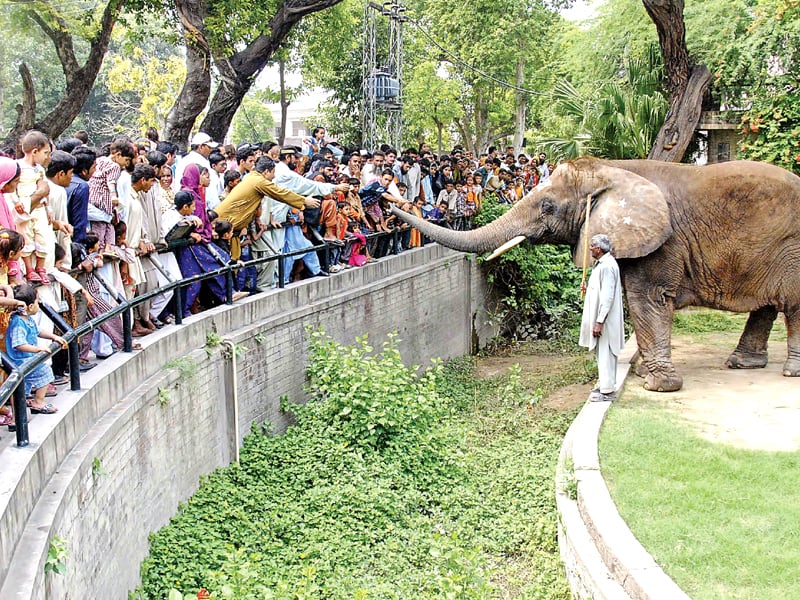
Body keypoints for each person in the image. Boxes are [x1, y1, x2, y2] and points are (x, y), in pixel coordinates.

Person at [6, 284, 68, 414]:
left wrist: (53, 336)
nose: (39, 306)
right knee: (45, 371)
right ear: (30, 307)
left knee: (23, 387)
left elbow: (38, 331)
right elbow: (18, 344)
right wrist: (37, 349)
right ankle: (38, 401)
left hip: (27, 358)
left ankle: (20, 410)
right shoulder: (18, 322)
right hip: (21, 360)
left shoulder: (27, 319)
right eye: (37, 302)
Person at [579, 234, 625, 402]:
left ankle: (607, 392)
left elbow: (607, 297)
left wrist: (599, 321)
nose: (590, 248)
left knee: (606, 352)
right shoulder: (602, 265)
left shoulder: (607, 267)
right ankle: (606, 385)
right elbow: (599, 289)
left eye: (591, 246)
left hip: (605, 321)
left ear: (598, 249)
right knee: (602, 352)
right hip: (604, 319)